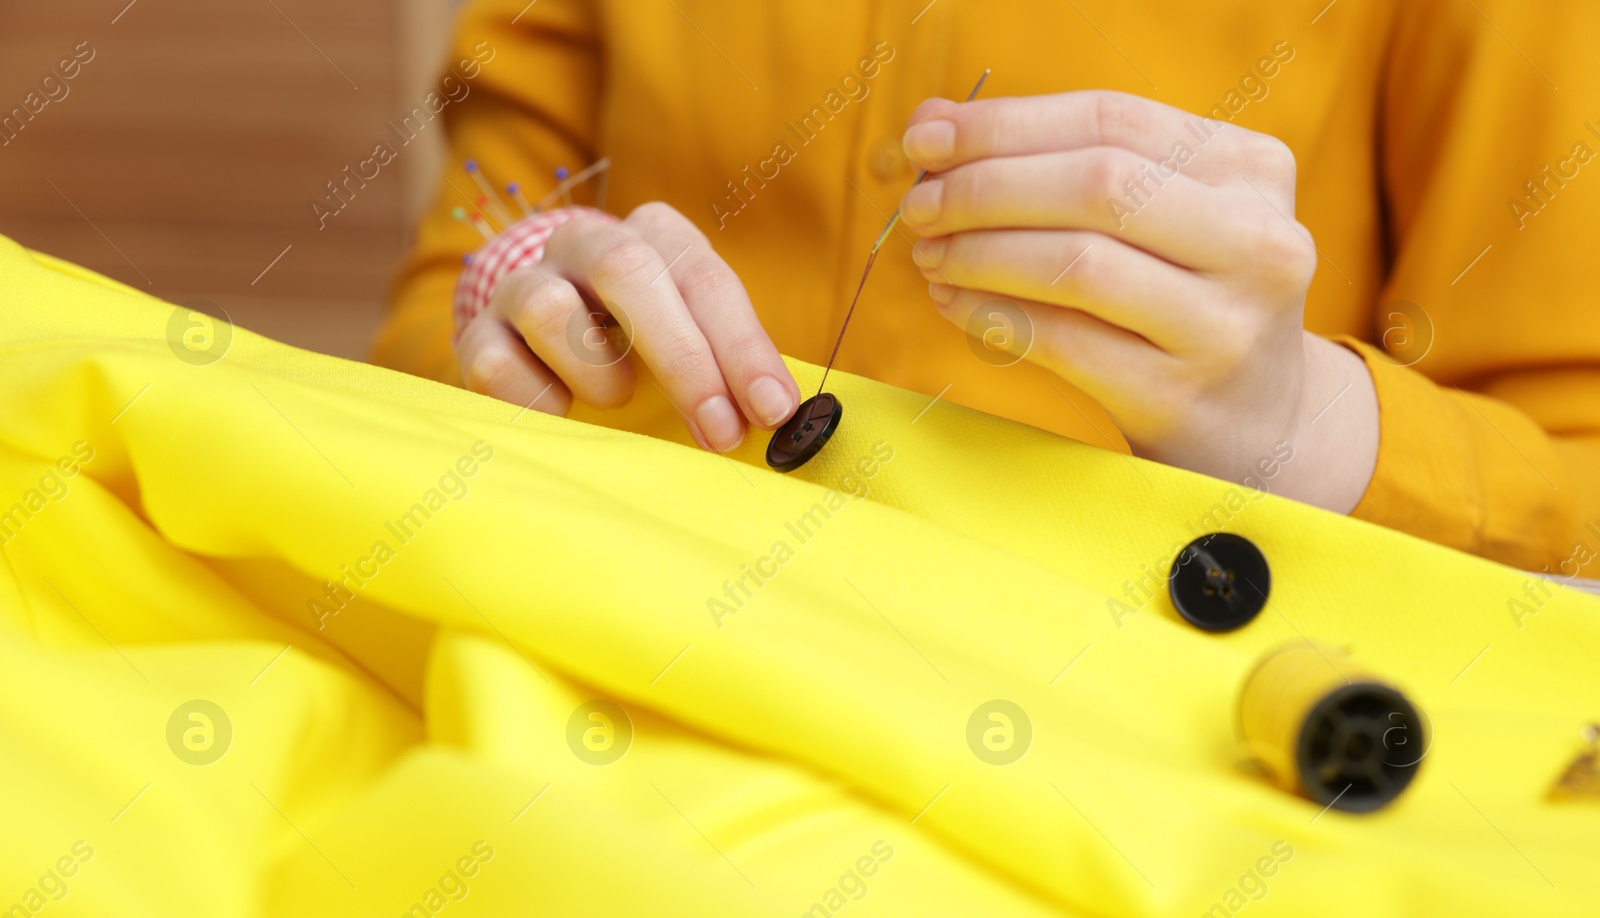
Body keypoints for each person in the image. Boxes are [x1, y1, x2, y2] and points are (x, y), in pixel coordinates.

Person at [373, 0, 1600, 577]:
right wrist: (519, 308)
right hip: (604, 665)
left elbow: (1576, 484)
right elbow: (448, 297)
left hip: (1166, 775)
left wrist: (1298, 426)